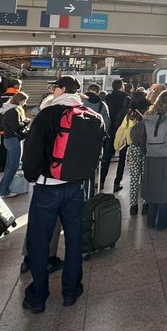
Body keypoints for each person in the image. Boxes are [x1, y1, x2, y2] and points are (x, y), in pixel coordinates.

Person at [21, 76, 105, 313]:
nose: (52, 91)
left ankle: (38, 296)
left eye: (54, 87)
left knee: (39, 240)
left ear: (62, 89)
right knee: (74, 238)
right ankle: (71, 290)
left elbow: (32, 149)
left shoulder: (49, 113)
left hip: (48, 187)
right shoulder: (92, 116)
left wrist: (32, 176)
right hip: (76, 187)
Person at [135, 89, 167, 230]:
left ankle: (150, 221)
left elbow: (137, 134)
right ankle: (162, 223)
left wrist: (146, 149)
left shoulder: (150, 114)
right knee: (165, 189)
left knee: (152, 189)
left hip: (151, 158)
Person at [0, 92, 29, 197]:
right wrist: (26, 122)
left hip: (8, 139)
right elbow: (16, 126)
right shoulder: (14, 110)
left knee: (9, 167)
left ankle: (1, 190)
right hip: (13, 140)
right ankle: (3, 191)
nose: (24, 103)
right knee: (13, 167)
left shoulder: (7, 109)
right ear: (19, 100)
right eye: (24, 101)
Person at [102, 79, 131, 191]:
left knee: (107, 156)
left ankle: (102, 180)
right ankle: (117, 183)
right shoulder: (127, 98)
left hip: (110, 129)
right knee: (122, 157)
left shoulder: (108, 97)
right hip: (122, 129)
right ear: (121, 86)